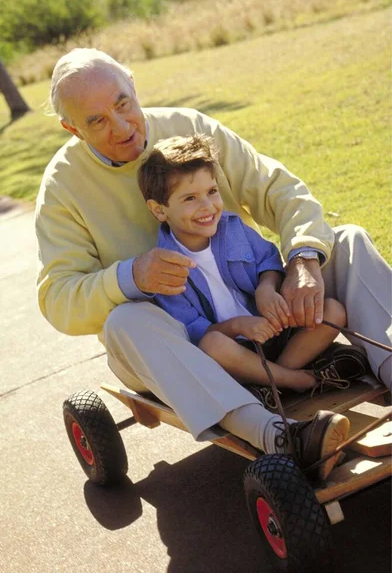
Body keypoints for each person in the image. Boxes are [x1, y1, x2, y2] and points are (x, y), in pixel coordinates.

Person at [35, 48, 392, 482]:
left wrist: (302, 258)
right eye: (96, 121)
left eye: (123, 103)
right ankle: (279, 436)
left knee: (348, 239)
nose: (122, 126)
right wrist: (129, 276)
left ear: (132, 83)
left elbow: (278, 190)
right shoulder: (61, 188)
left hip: (256, 313)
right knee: (125, 321)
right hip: (170, 344)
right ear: (71, 127)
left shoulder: (191, 129)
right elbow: (57, 298)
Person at [138, 133, 370, 407]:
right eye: (190, 198)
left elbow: (268, 259)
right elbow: (194, 331)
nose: (207, 206)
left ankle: (274, 383)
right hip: (235, 352)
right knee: (213, 345)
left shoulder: (233, 228)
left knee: (333, 311)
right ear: (159, 210)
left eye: (212, 191)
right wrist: (238, 326)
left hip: (275, 332)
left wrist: (266, 288)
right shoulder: (164, 267)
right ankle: (300, 380)